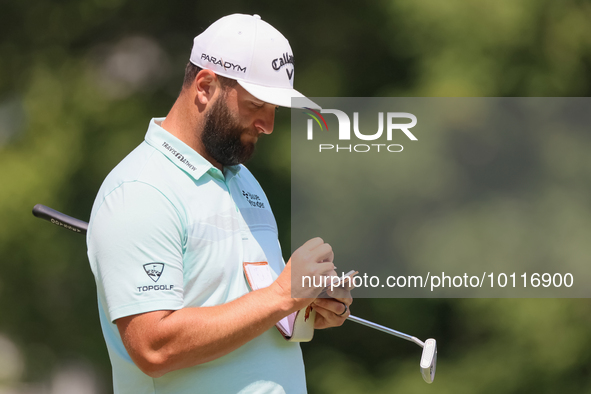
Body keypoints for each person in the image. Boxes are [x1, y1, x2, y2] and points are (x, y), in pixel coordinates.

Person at [87, 13, 352, 393]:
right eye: (256, 103)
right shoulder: (139, 190)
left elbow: (252, 307)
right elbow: (154, 348)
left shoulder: (244, 181)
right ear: (205, 86)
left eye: (274, 109)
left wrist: (305, 309)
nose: (268, 124)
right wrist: (282, 296)